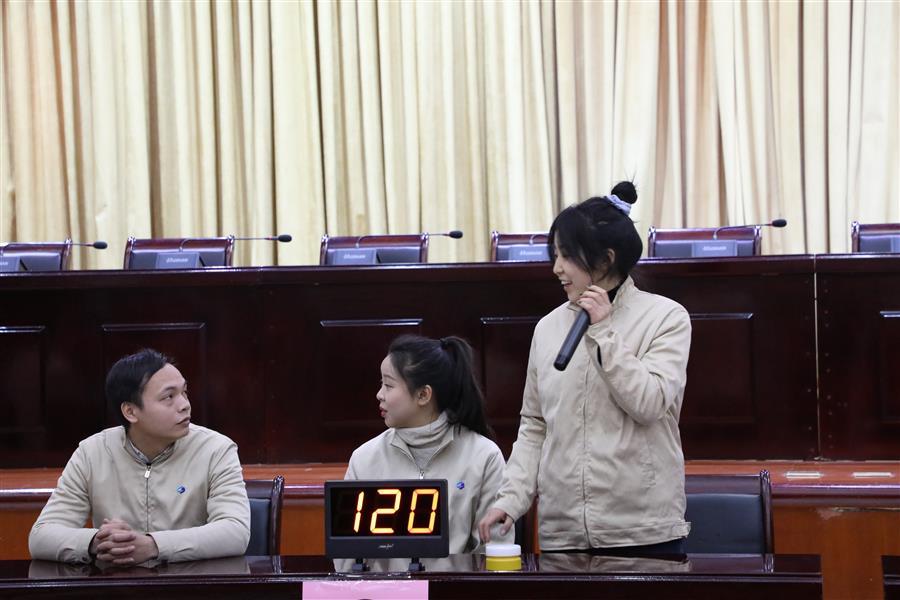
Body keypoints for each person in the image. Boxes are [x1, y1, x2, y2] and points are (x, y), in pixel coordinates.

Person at [478, 181, 692, 554]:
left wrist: (604, 332)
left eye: (566, 256)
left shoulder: (666, 318)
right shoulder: (548, 328)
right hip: (563, 533)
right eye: (555, 255)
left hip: (643, 531)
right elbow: (534, 426)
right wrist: (510, 499)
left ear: (605, 259)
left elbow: (649, 404)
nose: (556, 268)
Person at [29, 349, 251, 565]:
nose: (185, 405)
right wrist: (97, 542)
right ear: (131, 412)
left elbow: (235, 532)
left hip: (189, 581)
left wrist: (153, 546)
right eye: (169, 397)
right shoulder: (92, 453)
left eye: (184, 392)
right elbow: (41, 537)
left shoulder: (216, 450)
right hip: (117, 583)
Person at [344, 334, 513, 556]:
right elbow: (347, 555)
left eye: (388, 385)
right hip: (382, 581)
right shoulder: (364, 458)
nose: (379, 395)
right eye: (381, 384)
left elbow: (495, 551)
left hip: (458, 580)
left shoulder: (484, 456)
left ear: (423, 395)